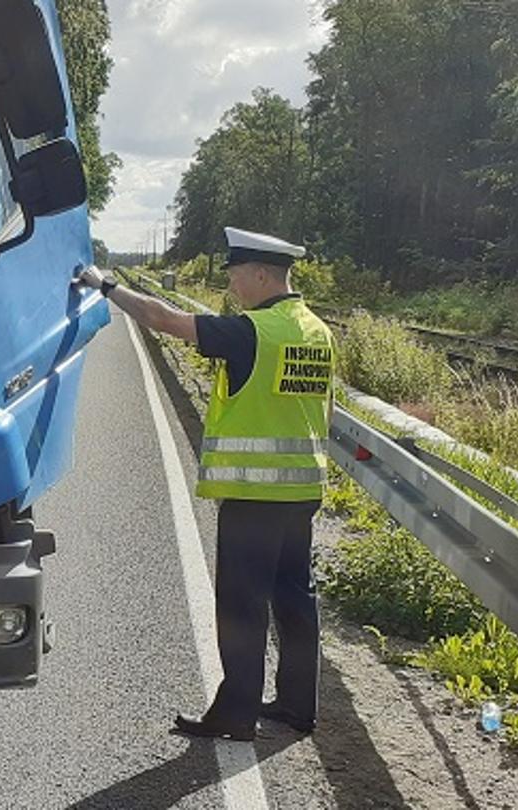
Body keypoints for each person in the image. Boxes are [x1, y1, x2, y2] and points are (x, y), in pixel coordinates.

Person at [74, 227, 335, 741]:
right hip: (302, 490)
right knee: (294, 599)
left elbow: (163, 319)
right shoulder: (316, 331)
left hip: (254, 493)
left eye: (236, 275)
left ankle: (236, 714)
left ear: (261, 274)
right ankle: (297, 705)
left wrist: (104, 285)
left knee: (242, 606)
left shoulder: (252, 331)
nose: (232, 285)